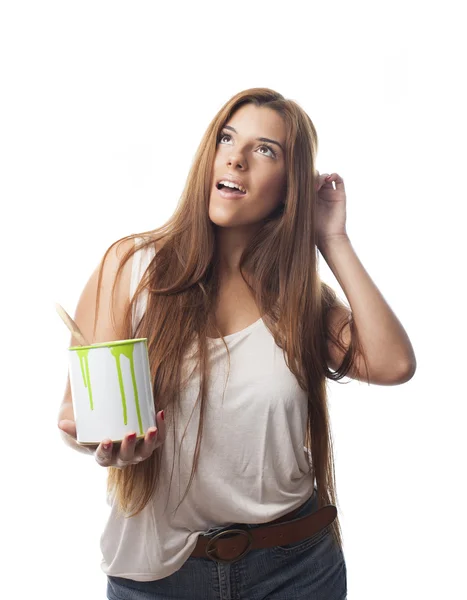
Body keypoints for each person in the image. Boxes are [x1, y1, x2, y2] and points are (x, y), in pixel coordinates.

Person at [58, 87, 416, 599]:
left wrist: (331, 238)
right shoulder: (130, 268)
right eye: (228, 138)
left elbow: (393, 363)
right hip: (157, 578)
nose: (237, 157)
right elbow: (77, 414)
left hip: (296, 569)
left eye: (265, 149)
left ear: (290, 188)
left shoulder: (299, 302)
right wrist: (102, 445)